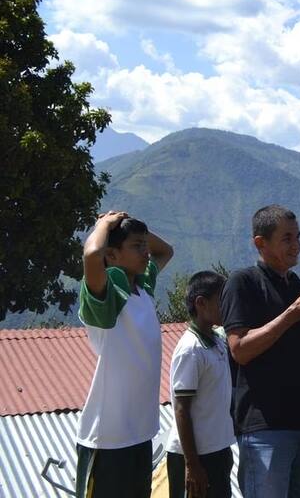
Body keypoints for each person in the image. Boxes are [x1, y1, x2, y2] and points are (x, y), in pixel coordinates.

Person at [220, 205, 300, 498]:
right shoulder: (243, 283)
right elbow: (239, 349)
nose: (297, 245)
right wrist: (292, 314)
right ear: (260, 243)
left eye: (298, 237)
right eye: (287, 238)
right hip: (265, 428)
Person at [75, 211, 174, 498]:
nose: (145, 252)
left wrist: (131, 225)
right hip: (107, 440)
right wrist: (104, 224)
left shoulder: (141, 291)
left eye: (144, 245)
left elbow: (165, 251)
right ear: (113, 255)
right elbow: (92, 256)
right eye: (136, 246)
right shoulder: (108, 298)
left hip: (141, 434)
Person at [166, 271, 235, 498]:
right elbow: (181, 409)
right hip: (196, 456)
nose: (226, 306)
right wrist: (192, 465)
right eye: (221, 300)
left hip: (216, 450)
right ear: (201, 303)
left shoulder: (217, 340)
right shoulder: (191, 349)